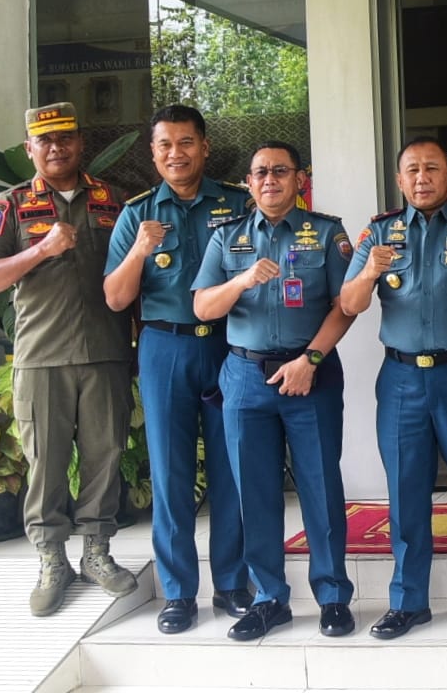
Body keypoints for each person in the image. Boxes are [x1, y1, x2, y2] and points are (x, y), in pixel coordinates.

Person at [339, 137, 447, 640]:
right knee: (406, 492)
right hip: (400, 380)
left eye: (432, 168)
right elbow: (349, 304)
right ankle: (408, 601)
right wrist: (370, 270)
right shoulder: (379, 232)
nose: (422, 178)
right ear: (399, 180)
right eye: (412, 170)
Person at [0, 102, 136, 616]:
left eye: (65, 137)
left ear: (80, 142)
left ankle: (96, 553)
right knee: (46, 464)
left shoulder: (115, 201)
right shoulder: (10, 205)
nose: (56, 147)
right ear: (29, 149)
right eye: (45, 140)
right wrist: (40, 250)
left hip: (106, 353)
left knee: (106, 455)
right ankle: (51, 560)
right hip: (41, 357)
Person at [191, 142, 356, 641]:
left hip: (311, 374)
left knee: (320, 487)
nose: (269, 180)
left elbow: (346, 306)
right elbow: (203, 308)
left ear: (299, 179)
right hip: (246, 378)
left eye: (280, 171)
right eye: (260, 172)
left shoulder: (326, 232)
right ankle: (269, 598)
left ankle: (332, 597)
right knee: (255, 491)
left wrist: (311, 361)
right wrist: (241, 280)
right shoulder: (227, 237)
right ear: (248, 182)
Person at [103, 105, 252, 633]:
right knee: (170, 472)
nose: (176, 153)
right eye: (165, 144)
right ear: (153, 152)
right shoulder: (137, 214)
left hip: (229, 346)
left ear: (204, 147)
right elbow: (116, 298)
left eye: (186, 142)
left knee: (233, 468)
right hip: (165, 348)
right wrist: (140, 250)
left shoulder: (238, 203)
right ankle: (179, 593)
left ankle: (232, 584)